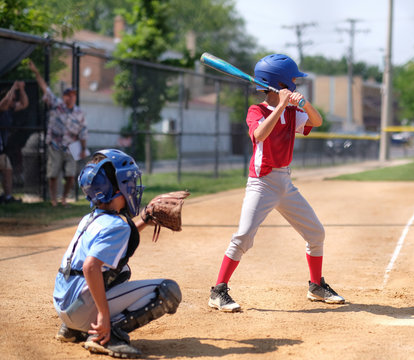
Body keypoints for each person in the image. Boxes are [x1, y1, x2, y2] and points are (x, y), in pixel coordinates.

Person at [208, 54, 345, 312]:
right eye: (293, 80)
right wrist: (280, 106)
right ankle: (218, 291)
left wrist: (304, 104)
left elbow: (317, 121)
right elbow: (259, 134)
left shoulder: (293, 112)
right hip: (262, 183)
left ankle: (316, 286)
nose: (297, 83)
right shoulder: (256, 110)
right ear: (281, 83)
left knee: (316, 233)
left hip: (284, 182)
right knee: (244, 237)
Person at [53, 149, 182, 358]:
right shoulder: (116, 226)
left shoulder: (91, 218)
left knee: (122, 270)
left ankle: (73, 329)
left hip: (65, 307)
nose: (133, 187)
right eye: (128, 183)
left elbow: (119, 241)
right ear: (117, 189)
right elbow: (91, 266)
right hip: (80, 310)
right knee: (169, 290)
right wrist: (104, 314)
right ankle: (107, 333)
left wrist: (146, 220)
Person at [28, 60, 88, 207]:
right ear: (64, 96)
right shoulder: (56, 105)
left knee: (70, 175)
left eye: (73, 95)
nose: (71, 97)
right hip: (55, 145)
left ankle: (64, 199)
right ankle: (54, 200)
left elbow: (83, 132)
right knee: (53, 174)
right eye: (68, 94)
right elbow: (44, 88)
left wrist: (83, 149)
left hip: (71, 147)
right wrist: (36, 72)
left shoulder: (79, 113)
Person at [0, 81, 28, 203]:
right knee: (7, 169)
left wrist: (21, 89)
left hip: (1, 148)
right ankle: (7, 196)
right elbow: (4, 102)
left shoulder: (9, 111)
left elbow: (24, 103)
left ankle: (7, 197)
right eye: (12, 98)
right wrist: (13, 88)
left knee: (7, 169)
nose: (13, 101)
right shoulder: (2, 107)